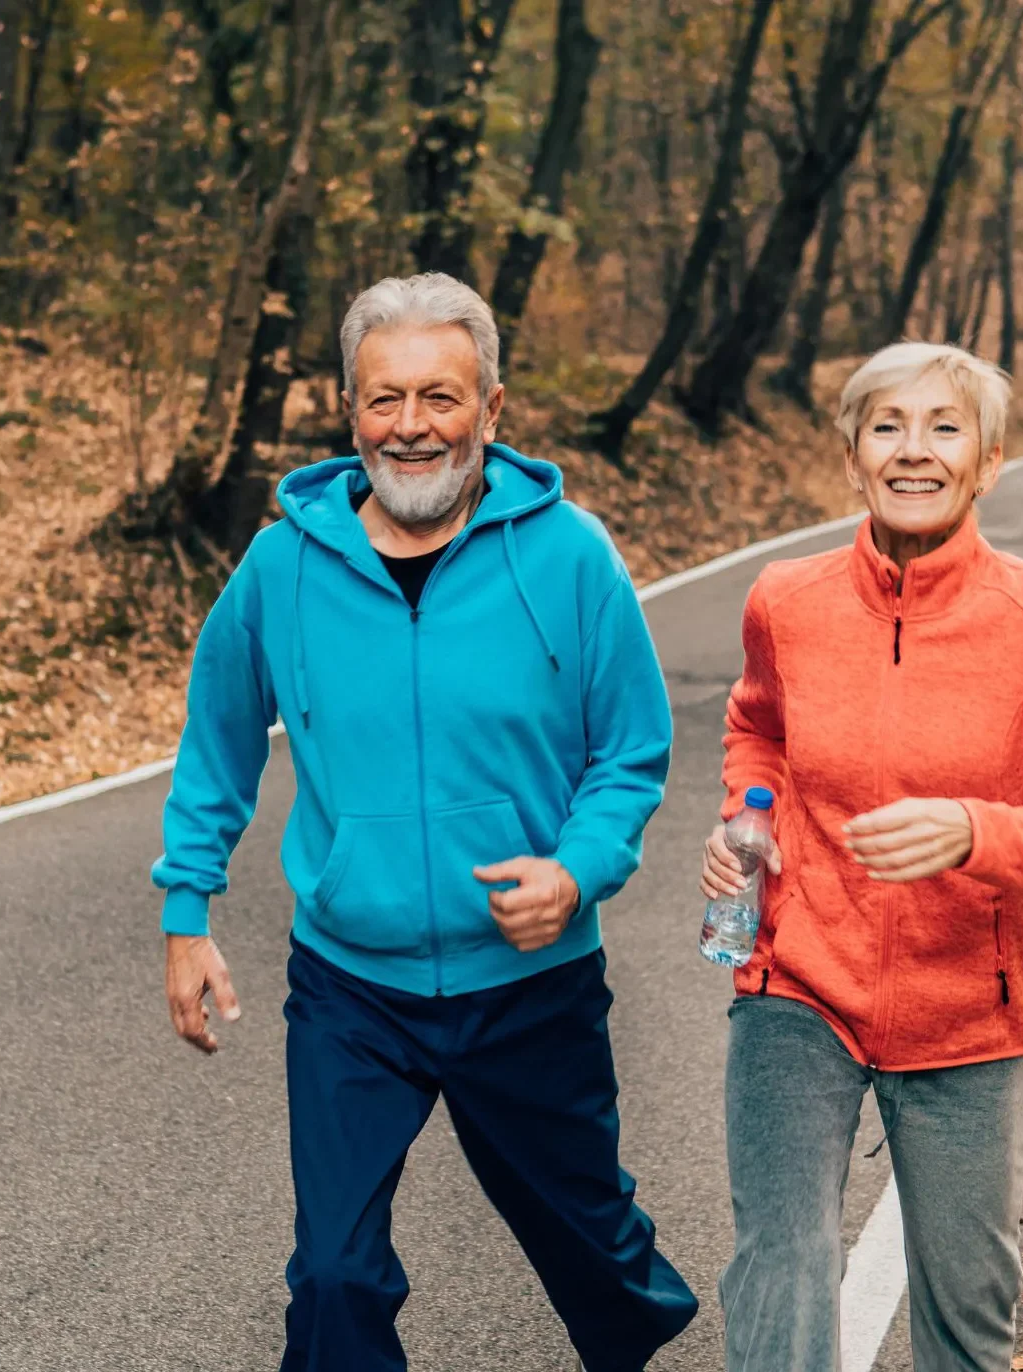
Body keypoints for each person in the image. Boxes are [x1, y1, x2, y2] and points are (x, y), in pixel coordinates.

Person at [151, 272, 697, 1371]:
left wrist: (577, 870)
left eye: (440, 398)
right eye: (384, 399)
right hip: (353, 987)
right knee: (335, 1276)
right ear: (349, 411)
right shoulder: (281, 567)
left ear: (491, 409)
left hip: (529, 982)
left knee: (594, 1250)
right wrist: (185, 906)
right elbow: (216, 740)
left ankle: (636, 1326)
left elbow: (630, 751)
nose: (411, 427)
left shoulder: (570, 555)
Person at [700, 341, 1023, 1372]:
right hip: (796, 981)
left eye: (944, 428)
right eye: (886, 426)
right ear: (853, 455)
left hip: (966, 1011)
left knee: (965, 1308)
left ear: (987, 462)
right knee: (782, 1269)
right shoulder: (786, 600)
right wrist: (747, 816)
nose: (914, 450)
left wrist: (973, 832)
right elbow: (755, 727)